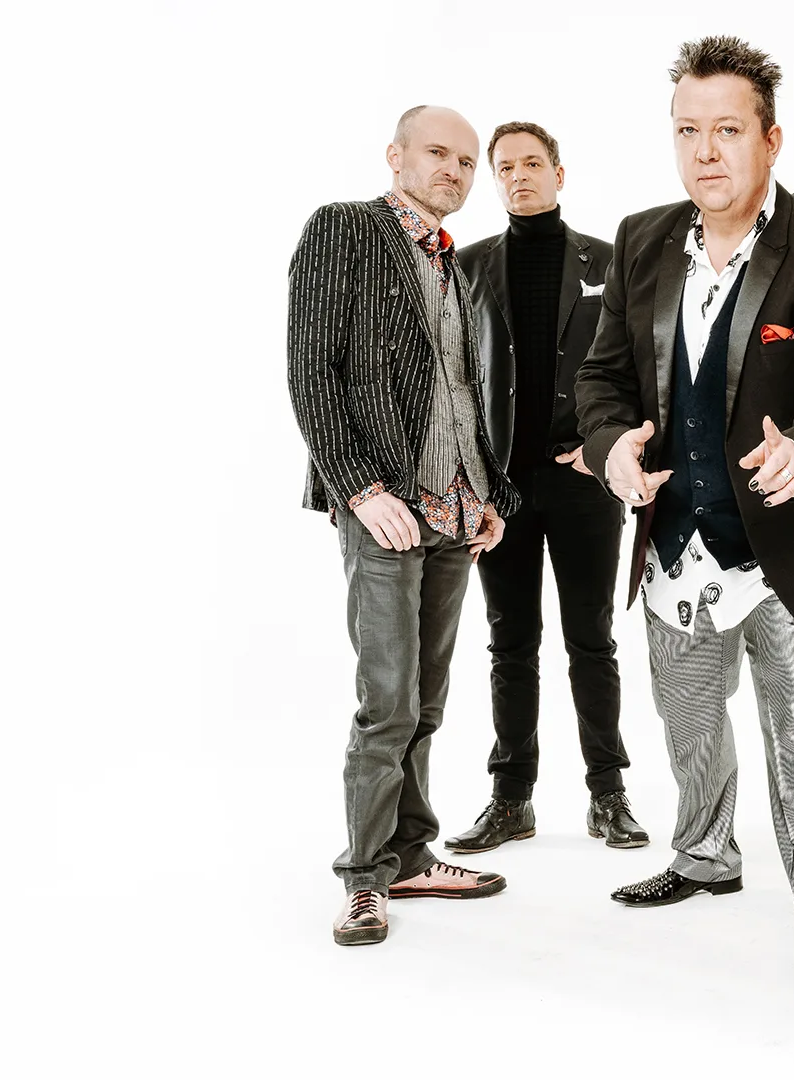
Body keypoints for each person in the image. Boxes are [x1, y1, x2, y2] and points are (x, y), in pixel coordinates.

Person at [573, 36, 794, 1048]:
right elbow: (602, 378)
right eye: (687, 132)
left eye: (726, 131)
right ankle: (707, 854)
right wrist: (611, 448)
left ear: (770, 139)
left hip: (785, 556)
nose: (705, 152)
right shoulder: (640, 239)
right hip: (674, 548)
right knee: (688, 720)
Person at [287, 106, 513, 947]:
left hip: (454, 511)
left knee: (426, 702)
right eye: (437, 153)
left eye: (467, 161)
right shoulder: (345, 228)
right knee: (386, 705)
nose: (454, 169)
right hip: (384, 508)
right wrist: (357, 488)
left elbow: (459, 387)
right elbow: (311, 368)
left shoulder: (454, 264)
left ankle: (411, 852)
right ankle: (363, 878)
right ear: (395, 155)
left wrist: (485, 493)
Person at [446, 121, 649, 855]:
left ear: (559, 174)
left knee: (591, 639)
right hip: (500, 489)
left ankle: (609, 793)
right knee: (510, 643)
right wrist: (471, 476)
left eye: (531, 163)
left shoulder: (607, 260)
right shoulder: (467, 266)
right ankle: (511, 799)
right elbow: (454, 379)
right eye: (504, 167)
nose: (518, 176)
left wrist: (607, 449)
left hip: (582, 481)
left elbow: (638, 364)